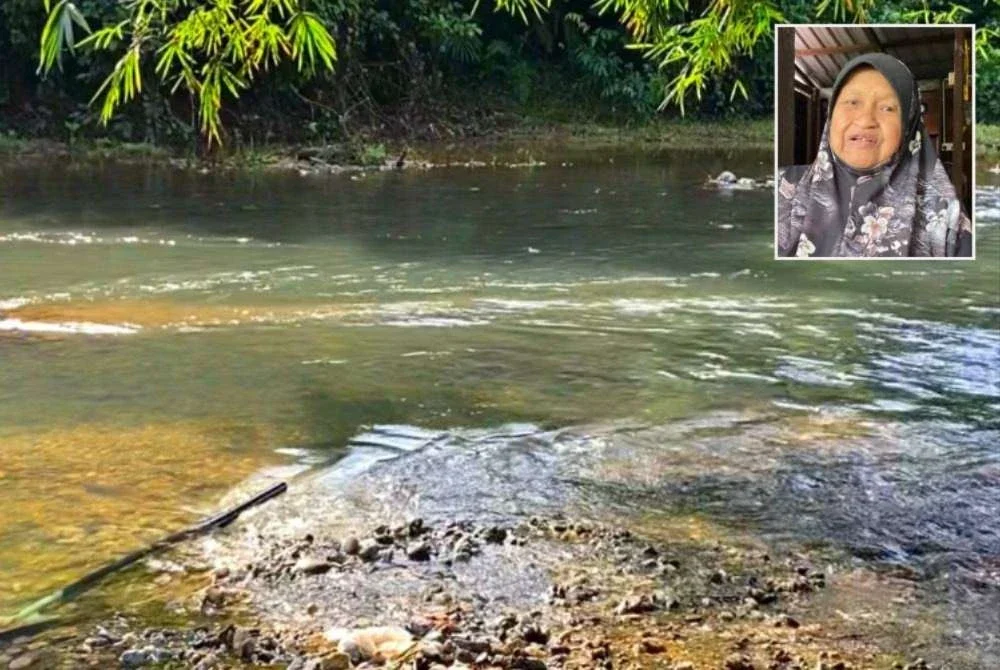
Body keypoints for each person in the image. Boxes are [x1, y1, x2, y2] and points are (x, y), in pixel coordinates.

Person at [777, 53, 972, 257]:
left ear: (908, 125)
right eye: (852, 102)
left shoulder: (946, 218)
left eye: (887, 108)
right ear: (831, 115)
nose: (866, 120)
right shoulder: (781, 190)